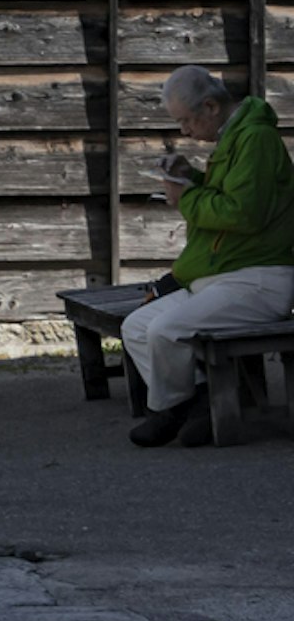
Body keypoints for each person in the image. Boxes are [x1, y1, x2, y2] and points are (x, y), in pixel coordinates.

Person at [126, 66, 294, 447]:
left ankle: (172, 410)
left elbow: (243, 214)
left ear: (211, 105)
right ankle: (201, 400)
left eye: (186, 120)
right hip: (224, 277)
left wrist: (186, 197)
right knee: (136, 328)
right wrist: (193, 177)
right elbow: (231, 198)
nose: (184, 131)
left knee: (164, 331)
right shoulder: (233, 138)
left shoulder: (256, 139)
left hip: (258, 279)